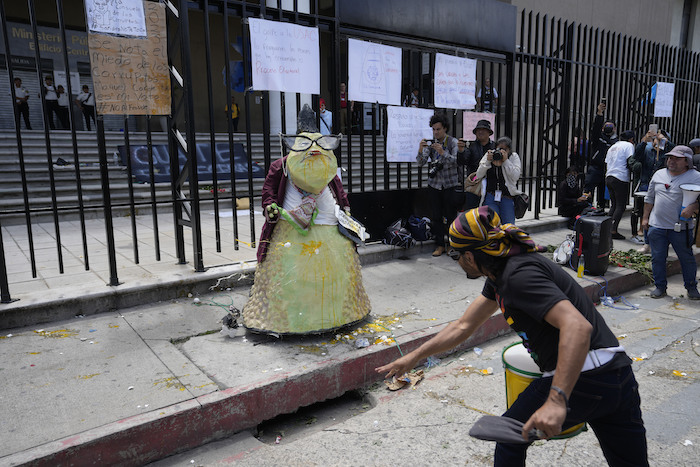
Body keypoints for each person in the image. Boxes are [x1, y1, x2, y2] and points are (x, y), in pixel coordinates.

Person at [376, 206, 648, 467]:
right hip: (617, 373)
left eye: (454, 255)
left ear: (470, 257)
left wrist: (556, 399)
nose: (457, 262)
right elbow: (463, 326)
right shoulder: (502, 272)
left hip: (585, 378)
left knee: (510, 438)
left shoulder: (517, 276)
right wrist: (413, 357)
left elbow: (577, 327)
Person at [241, 104, 370, 334]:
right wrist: (270, 206)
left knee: (333, 273)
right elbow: (268, 190)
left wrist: (346, 207)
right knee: (293, 274)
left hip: (329, 225)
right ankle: (290, 320)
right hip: (292, 228)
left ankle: (340, 313)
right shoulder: (282, 166)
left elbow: (338, 189)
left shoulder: (325, 165)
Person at [642, 145, 700, 300]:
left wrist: (693, 206)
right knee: (657, 258)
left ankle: (691, 288)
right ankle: (660, 287)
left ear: (687, 161)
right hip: (657, 226)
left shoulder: (696, 177)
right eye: (670, 157)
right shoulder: (659, 174)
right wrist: (645, 218)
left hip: (681, 228)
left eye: (677, 158)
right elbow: (649, 198)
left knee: (686, 259)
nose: (671, 161)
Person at [417, 113, 462, 257]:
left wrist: (442, 152)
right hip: (435, 185)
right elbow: (421, 162)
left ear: (445, 129)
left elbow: (456, 162)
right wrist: (421, 149)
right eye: (434, 129)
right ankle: (439, 245)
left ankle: (451, 245)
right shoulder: (432, 143)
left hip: (450, 184)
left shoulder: (453, 142)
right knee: (436, 216)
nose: (436, 132)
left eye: (438, 129)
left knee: (450, 216)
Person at [630, 129, 672, 252]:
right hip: (646, 186)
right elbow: (636, 156)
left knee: (658, 214)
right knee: (645, 214)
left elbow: (675, 151)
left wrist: (666, 142)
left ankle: (659, 242)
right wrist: (644, 141)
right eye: (656, 139)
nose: (657, 141)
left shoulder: (668, 154)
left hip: (663, 188)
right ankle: (647, 243)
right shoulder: (647, 151)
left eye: (660, 139)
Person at [475, 136, 522, 225]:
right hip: (491, 196)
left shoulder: (513, 157)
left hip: (507, 197)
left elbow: (515, 176)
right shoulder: (490, 155)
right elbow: (479, 175)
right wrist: (488, 162)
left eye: (505, 149)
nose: (501, 152)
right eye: (499, 148)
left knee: (509, 226)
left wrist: (506, 161)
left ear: (509, 150)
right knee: (492, 224)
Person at [584, 100, 618, 209]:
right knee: (588, 188)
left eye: (611, 126)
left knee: (603, 193)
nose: (608, 128)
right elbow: (595, 129)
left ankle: (601, 207)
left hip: (607, 170)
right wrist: (599, 113)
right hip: (595, 168)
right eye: (606, 126)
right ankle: (586, 206)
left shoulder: (616, 142)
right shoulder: (598, 138)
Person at [457, 119, 495, 209]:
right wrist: (461, 151)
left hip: (490, 185)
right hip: (474, 185)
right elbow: (462, 162)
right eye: (478, 130)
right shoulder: (471, 146)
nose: (481, 132)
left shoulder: (494, 146)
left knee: (488, 213)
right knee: (472, 213)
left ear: (489, 132)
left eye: (484, 129)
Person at [605, 130, 635, 239]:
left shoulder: (612, 147)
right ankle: (612, 230)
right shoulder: (629, 146)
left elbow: (607, 162)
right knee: (620, 206)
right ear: (631, 139)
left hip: (609, 176)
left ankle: (606, 228)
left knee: (614, 204)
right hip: (621, 177)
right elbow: (630, 161)